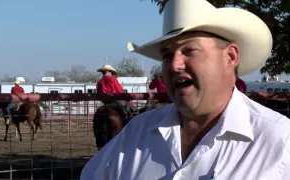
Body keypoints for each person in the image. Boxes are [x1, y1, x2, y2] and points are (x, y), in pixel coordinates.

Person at [81, 0, 290, 179]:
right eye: (166, 55)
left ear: (231, 57)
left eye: (189, 50)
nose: (174, 64)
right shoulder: (134, 133)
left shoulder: (280, 142)